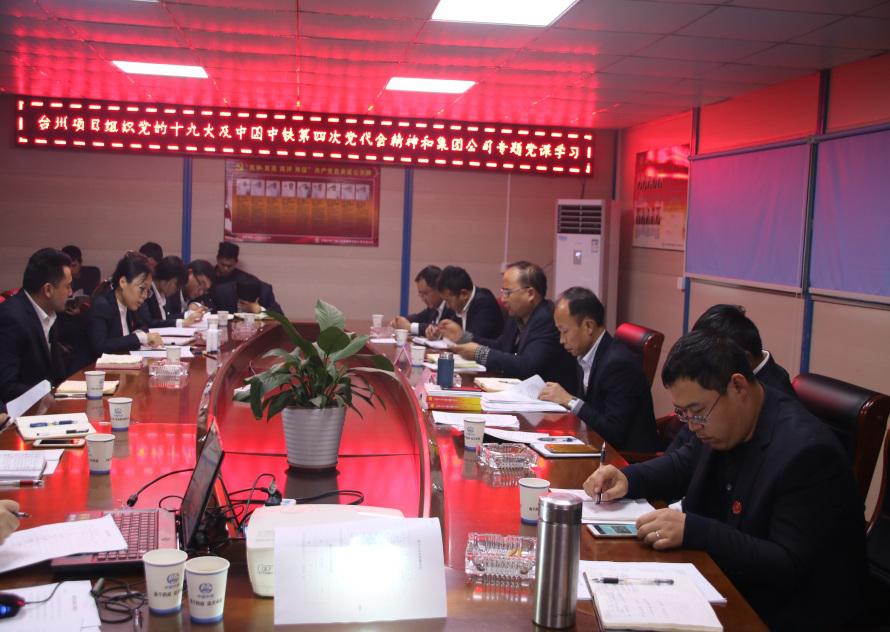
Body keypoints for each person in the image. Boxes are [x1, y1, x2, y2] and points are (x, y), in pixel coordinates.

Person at [584, 331, 867, 631]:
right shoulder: (723, 421)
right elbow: (682, 465)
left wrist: (697, 530)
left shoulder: (807, 453)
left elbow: (787, 564)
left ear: (738, 386)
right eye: (683, 413)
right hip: (722, 583)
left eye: (696, 412)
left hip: (781, 612)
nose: (692, 426)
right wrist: (627, 478)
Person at [539, 286, 659, 452]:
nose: (561, 340)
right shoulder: (585, 353)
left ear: (588, 326)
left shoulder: (618, 364)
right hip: (593, 444)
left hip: (625, 458)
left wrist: (570, 401)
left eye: (564, 331)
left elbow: (612, 432)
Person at [666, 303, 798, 452]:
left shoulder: (771, 399)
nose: (693, 426)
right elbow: (686, 451)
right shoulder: (710, 394)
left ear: (745, 360)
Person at [444, 262, 578, 391]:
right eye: (502, 292)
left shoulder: (547, 319)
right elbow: (501, 346)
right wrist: (464, 338)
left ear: (530, 294)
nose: (503, 299)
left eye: (508, 292)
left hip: (549, 400)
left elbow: (526, 366)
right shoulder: (517, 315)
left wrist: (480, 353)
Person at [0, 248, 72, 402]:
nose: (71, 292)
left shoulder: (49, 312)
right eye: (67, 286)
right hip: (20, 411)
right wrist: (46, 396)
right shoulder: (11, 318)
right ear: (48, 290)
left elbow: (56, 374)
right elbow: (6, 387)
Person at [88, 252, 162, 356]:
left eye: (148, 291)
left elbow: (143, 326)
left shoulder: (130, 304)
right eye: (142, 289)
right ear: (123, 282)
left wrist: (140, 335)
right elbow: (101, 347)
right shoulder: (102, 306)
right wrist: (140, 337)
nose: (145, 296)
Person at [431, 266, 503, 341]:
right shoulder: (458, 303)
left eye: (448, 301)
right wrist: (438, 333)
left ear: (464, 294)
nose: (448, 306)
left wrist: (460, 335)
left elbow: (475, 341)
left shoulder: (484, 304)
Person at [390, 265, 455, 334]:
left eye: (425, 293)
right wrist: (400, 320)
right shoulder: (433, 309)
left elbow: (439, 329)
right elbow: (419, 317)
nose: (423, 299)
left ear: (438, 289)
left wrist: (410, 327)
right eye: (421, 294)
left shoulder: (451, 307)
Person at [139, 256, 191, 327]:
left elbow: (164, 318)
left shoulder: (163, 293)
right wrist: (180, 322)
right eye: (177, 286)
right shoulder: (146, 292)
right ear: (170, 280)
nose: (176, 291)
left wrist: (187, 315)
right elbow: (148, 322)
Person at [212, 274, 282, 315]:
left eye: (250, 302)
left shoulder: (265, 291)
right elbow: (212, 313)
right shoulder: (222, 292)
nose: (246, 305)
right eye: (242, 302)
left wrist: (260, 310)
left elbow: (280, 315)